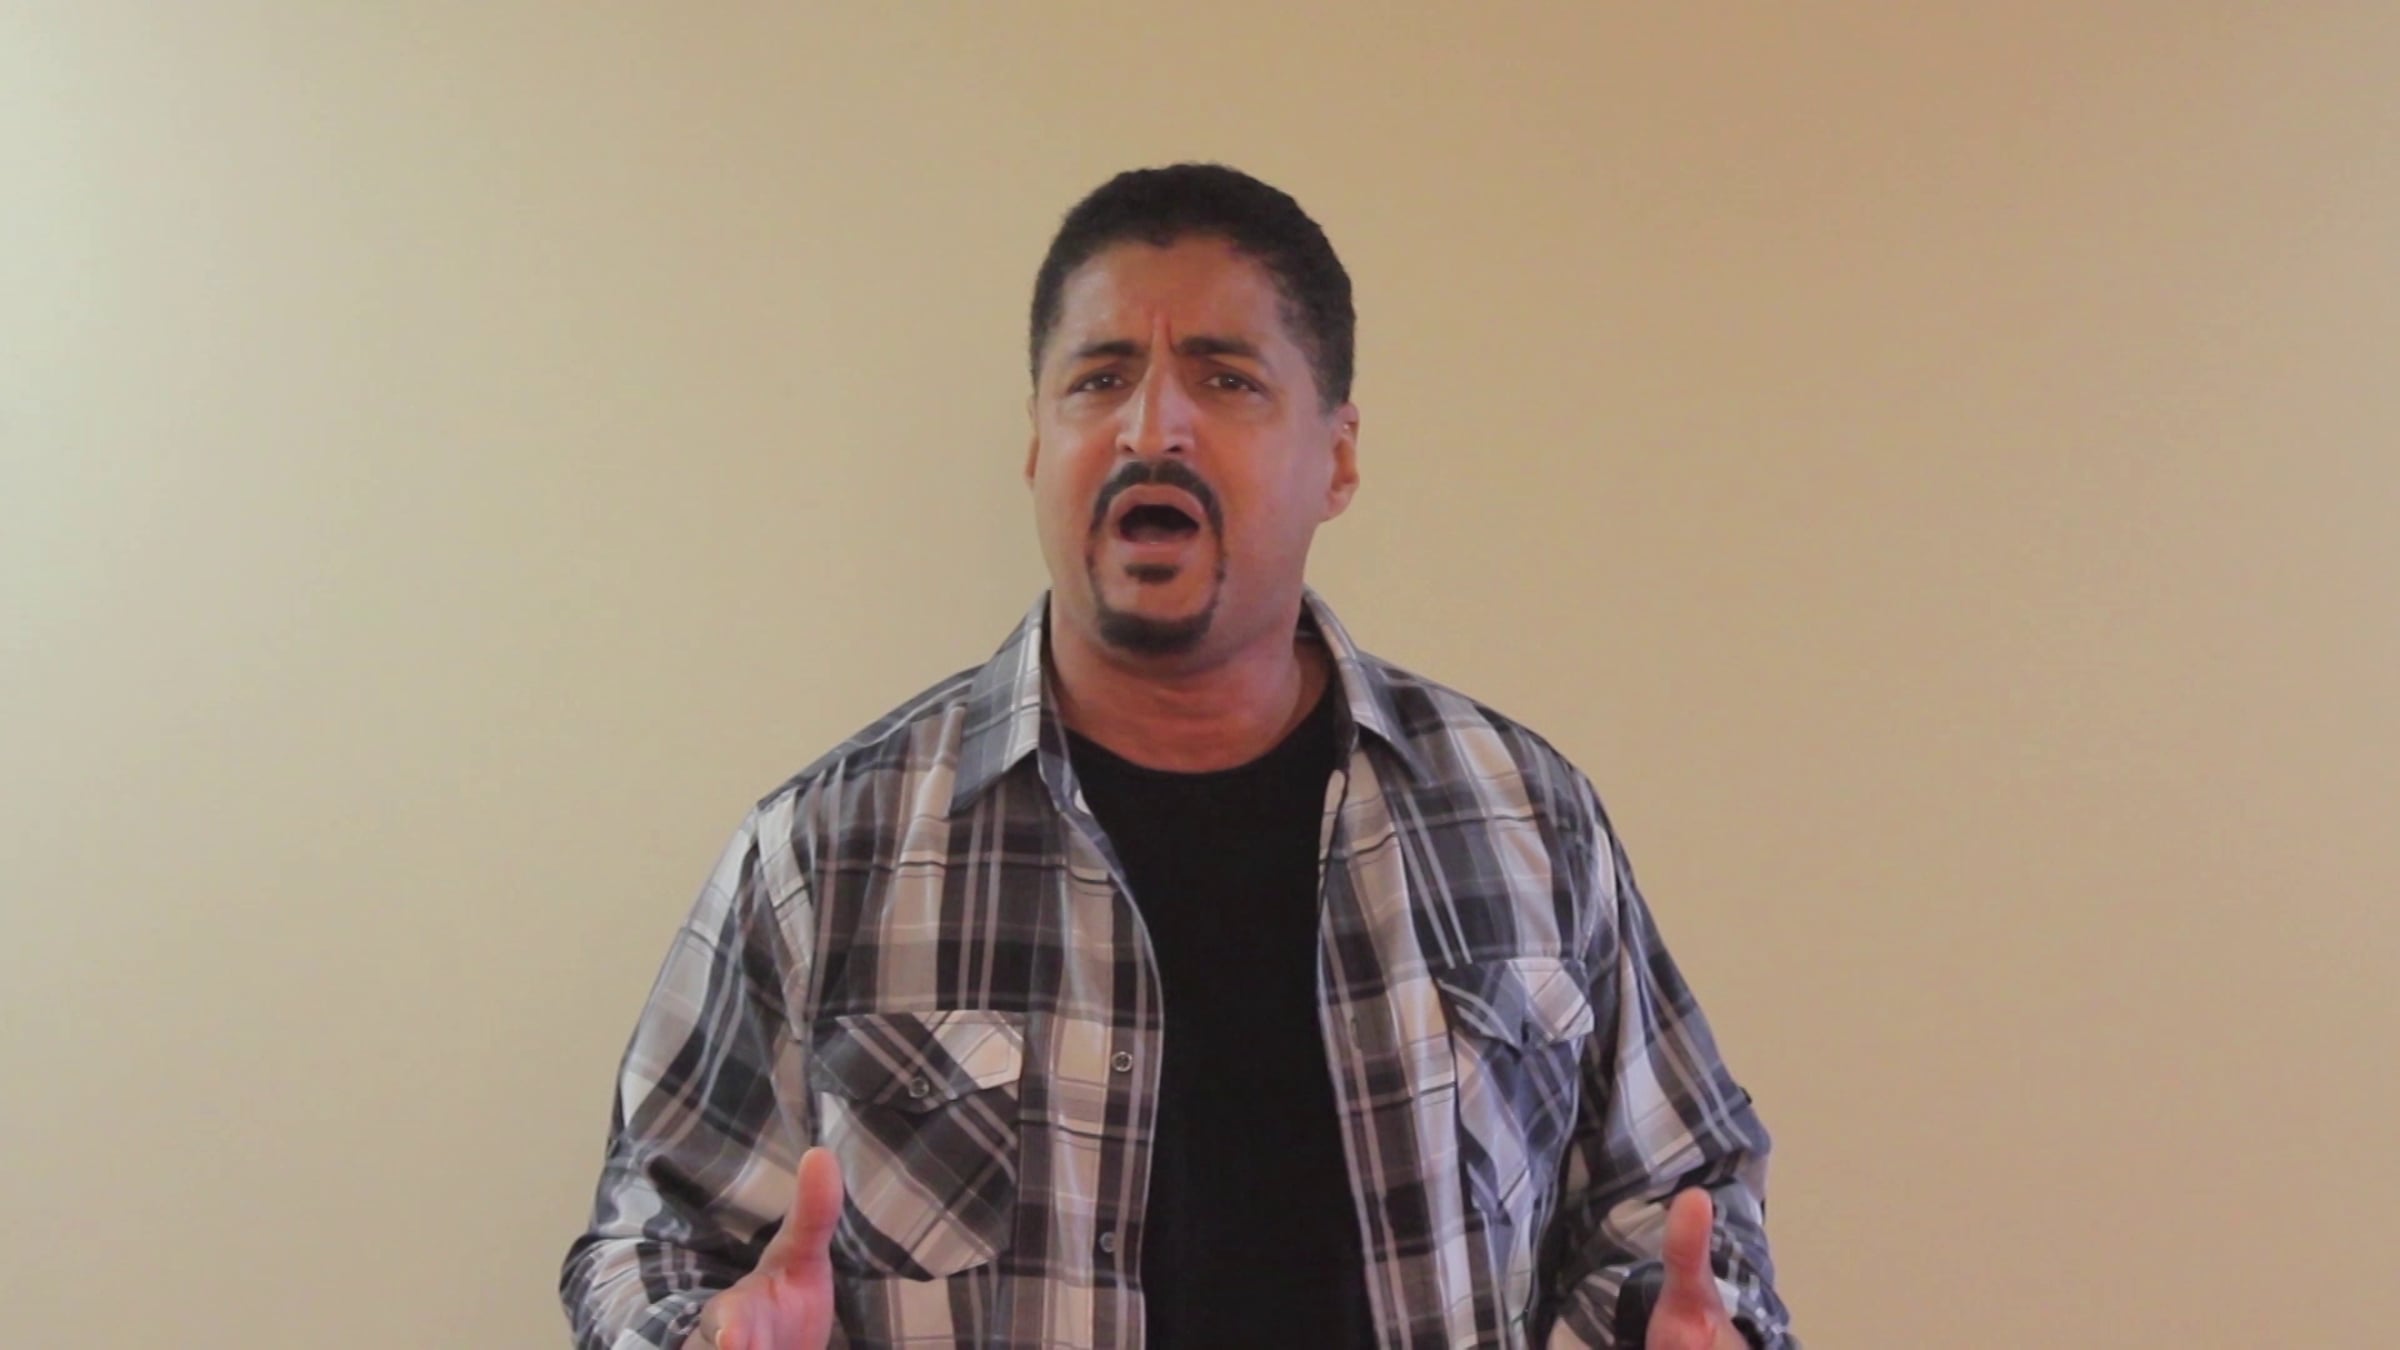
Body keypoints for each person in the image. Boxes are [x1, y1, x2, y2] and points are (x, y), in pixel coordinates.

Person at [561, 163, 1795, 1350]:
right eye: (1100, 379)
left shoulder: (1525, 818)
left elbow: (1678, 1192)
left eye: (1226, 379)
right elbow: (651, 1239)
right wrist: (701, 1334)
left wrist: (1686, 1322)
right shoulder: (827, 853)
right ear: (1037, 444)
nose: (1153, 427)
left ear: (1338, 456)